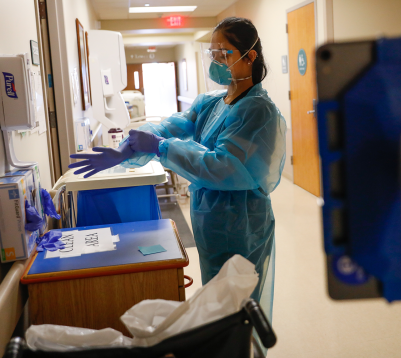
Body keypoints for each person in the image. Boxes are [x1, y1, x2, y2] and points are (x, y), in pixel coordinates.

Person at [69, 17, 286, 320]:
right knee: (215, 304)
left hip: (241, 223)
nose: (216, 61)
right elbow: (174, 125)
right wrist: (126, 149)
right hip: (211, 220)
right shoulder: (214, 102)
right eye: (213, 54)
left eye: (223, 53)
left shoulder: (258, 110)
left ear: (249, 57)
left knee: (238, 308)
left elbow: (222, 167)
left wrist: (160, 147)